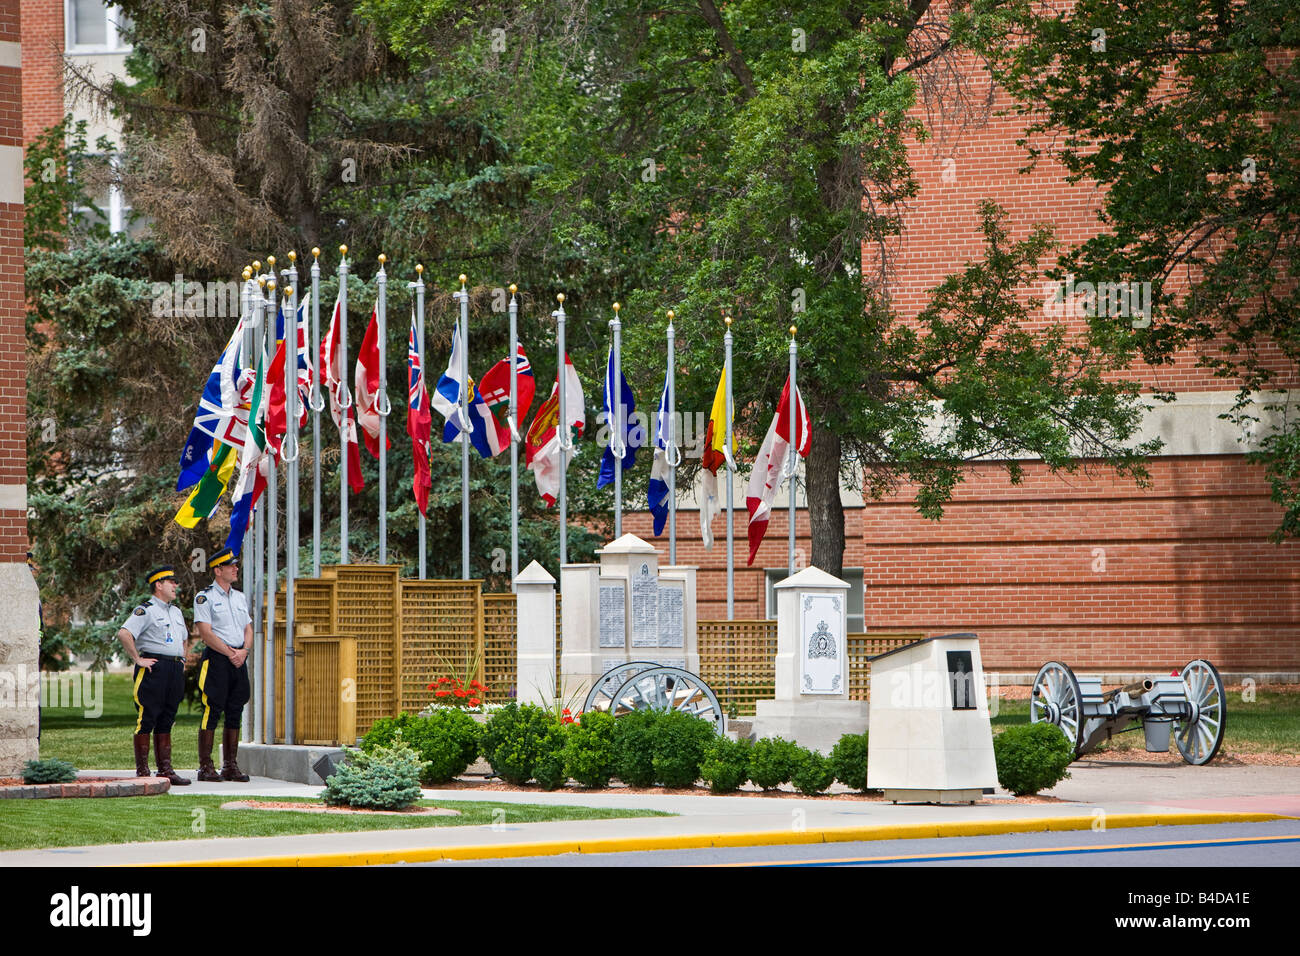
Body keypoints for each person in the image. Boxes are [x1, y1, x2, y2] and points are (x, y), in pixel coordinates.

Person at [116, 566, 192, 785]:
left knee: (168, 717)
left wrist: (183, 658)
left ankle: (165, 770)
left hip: (174, 668)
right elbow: (124, 633)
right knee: (147, 717)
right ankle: (143, 771)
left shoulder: (176, 611)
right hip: (154, 667)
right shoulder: (145, 610)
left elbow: (184, 638)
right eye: (171, 582)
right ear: (159, 585)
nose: (176, 585)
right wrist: (137, 659)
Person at [193, 548, 253, 782]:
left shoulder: (239, 597)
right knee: (212, 709)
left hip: (239, 658)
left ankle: (230, 765)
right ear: (218, 570)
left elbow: (247, 628)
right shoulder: (205, 597)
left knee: (235, 710)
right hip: (218, 659)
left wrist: (244, 652)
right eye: (231, 566)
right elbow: (206, 633)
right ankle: (206, 767)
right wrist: (231, 653)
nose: (236, 568)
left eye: (235, 565)